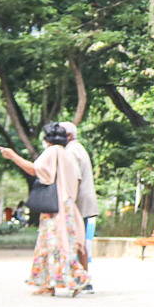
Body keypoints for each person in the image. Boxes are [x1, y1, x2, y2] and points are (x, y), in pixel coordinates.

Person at [0, 123, 89, 297]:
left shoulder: (53, 151)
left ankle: (71, 280)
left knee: (52, 244)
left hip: (55, 208)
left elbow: (35, 170)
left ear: (47, 139)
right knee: (62, 244)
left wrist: (12, 156)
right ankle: (52, 283)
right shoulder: (67, 155)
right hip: (67, 204)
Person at [61, 122, 98, 290]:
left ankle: (82, 278)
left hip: (77, 202)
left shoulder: (70, 151)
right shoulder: (78, 148)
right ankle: (82, 278)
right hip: (83, 200)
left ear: (68, 135)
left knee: (77, 241)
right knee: (79, 240)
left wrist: (69, 203)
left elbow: (74, 177)